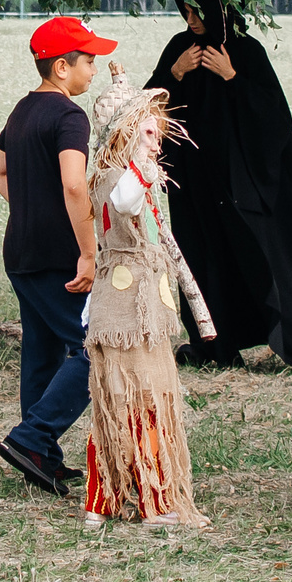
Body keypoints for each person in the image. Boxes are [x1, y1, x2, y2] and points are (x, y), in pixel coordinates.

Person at [144, 0, 292, 367]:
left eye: (197, 11)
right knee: (205, 258)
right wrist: (173, 73)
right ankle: (215, 347)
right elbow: (149, 109)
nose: (190, 20)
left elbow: (276, 119)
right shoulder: (180, 48)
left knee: (264, 255)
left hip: (245, 182)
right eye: (185, 12)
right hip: (196, 182)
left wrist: (231, 77)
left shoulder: (246, 51)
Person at [80, 67, 217, 526]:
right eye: (148, 129)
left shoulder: (135, 176)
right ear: (124, 131)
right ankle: (154, 502)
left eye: (158, 130)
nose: (157, 138)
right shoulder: (117, 177)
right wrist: (140, 159)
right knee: (137, 400)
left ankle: (104, 503)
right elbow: (123, 202)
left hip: (145, 305)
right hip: (126, 307)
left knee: (127, 399)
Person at [0, 16, 111, 495]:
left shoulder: (23, 109)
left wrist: (31, 208)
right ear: (62, 67)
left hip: (19, 251)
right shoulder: (68, 117)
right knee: (94, 346)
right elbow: (75, 182)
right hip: (59, 257)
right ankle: (33, 437)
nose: (94, 68)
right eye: (88, 59)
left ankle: (41, 458)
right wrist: (88, 252)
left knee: (42, 351)